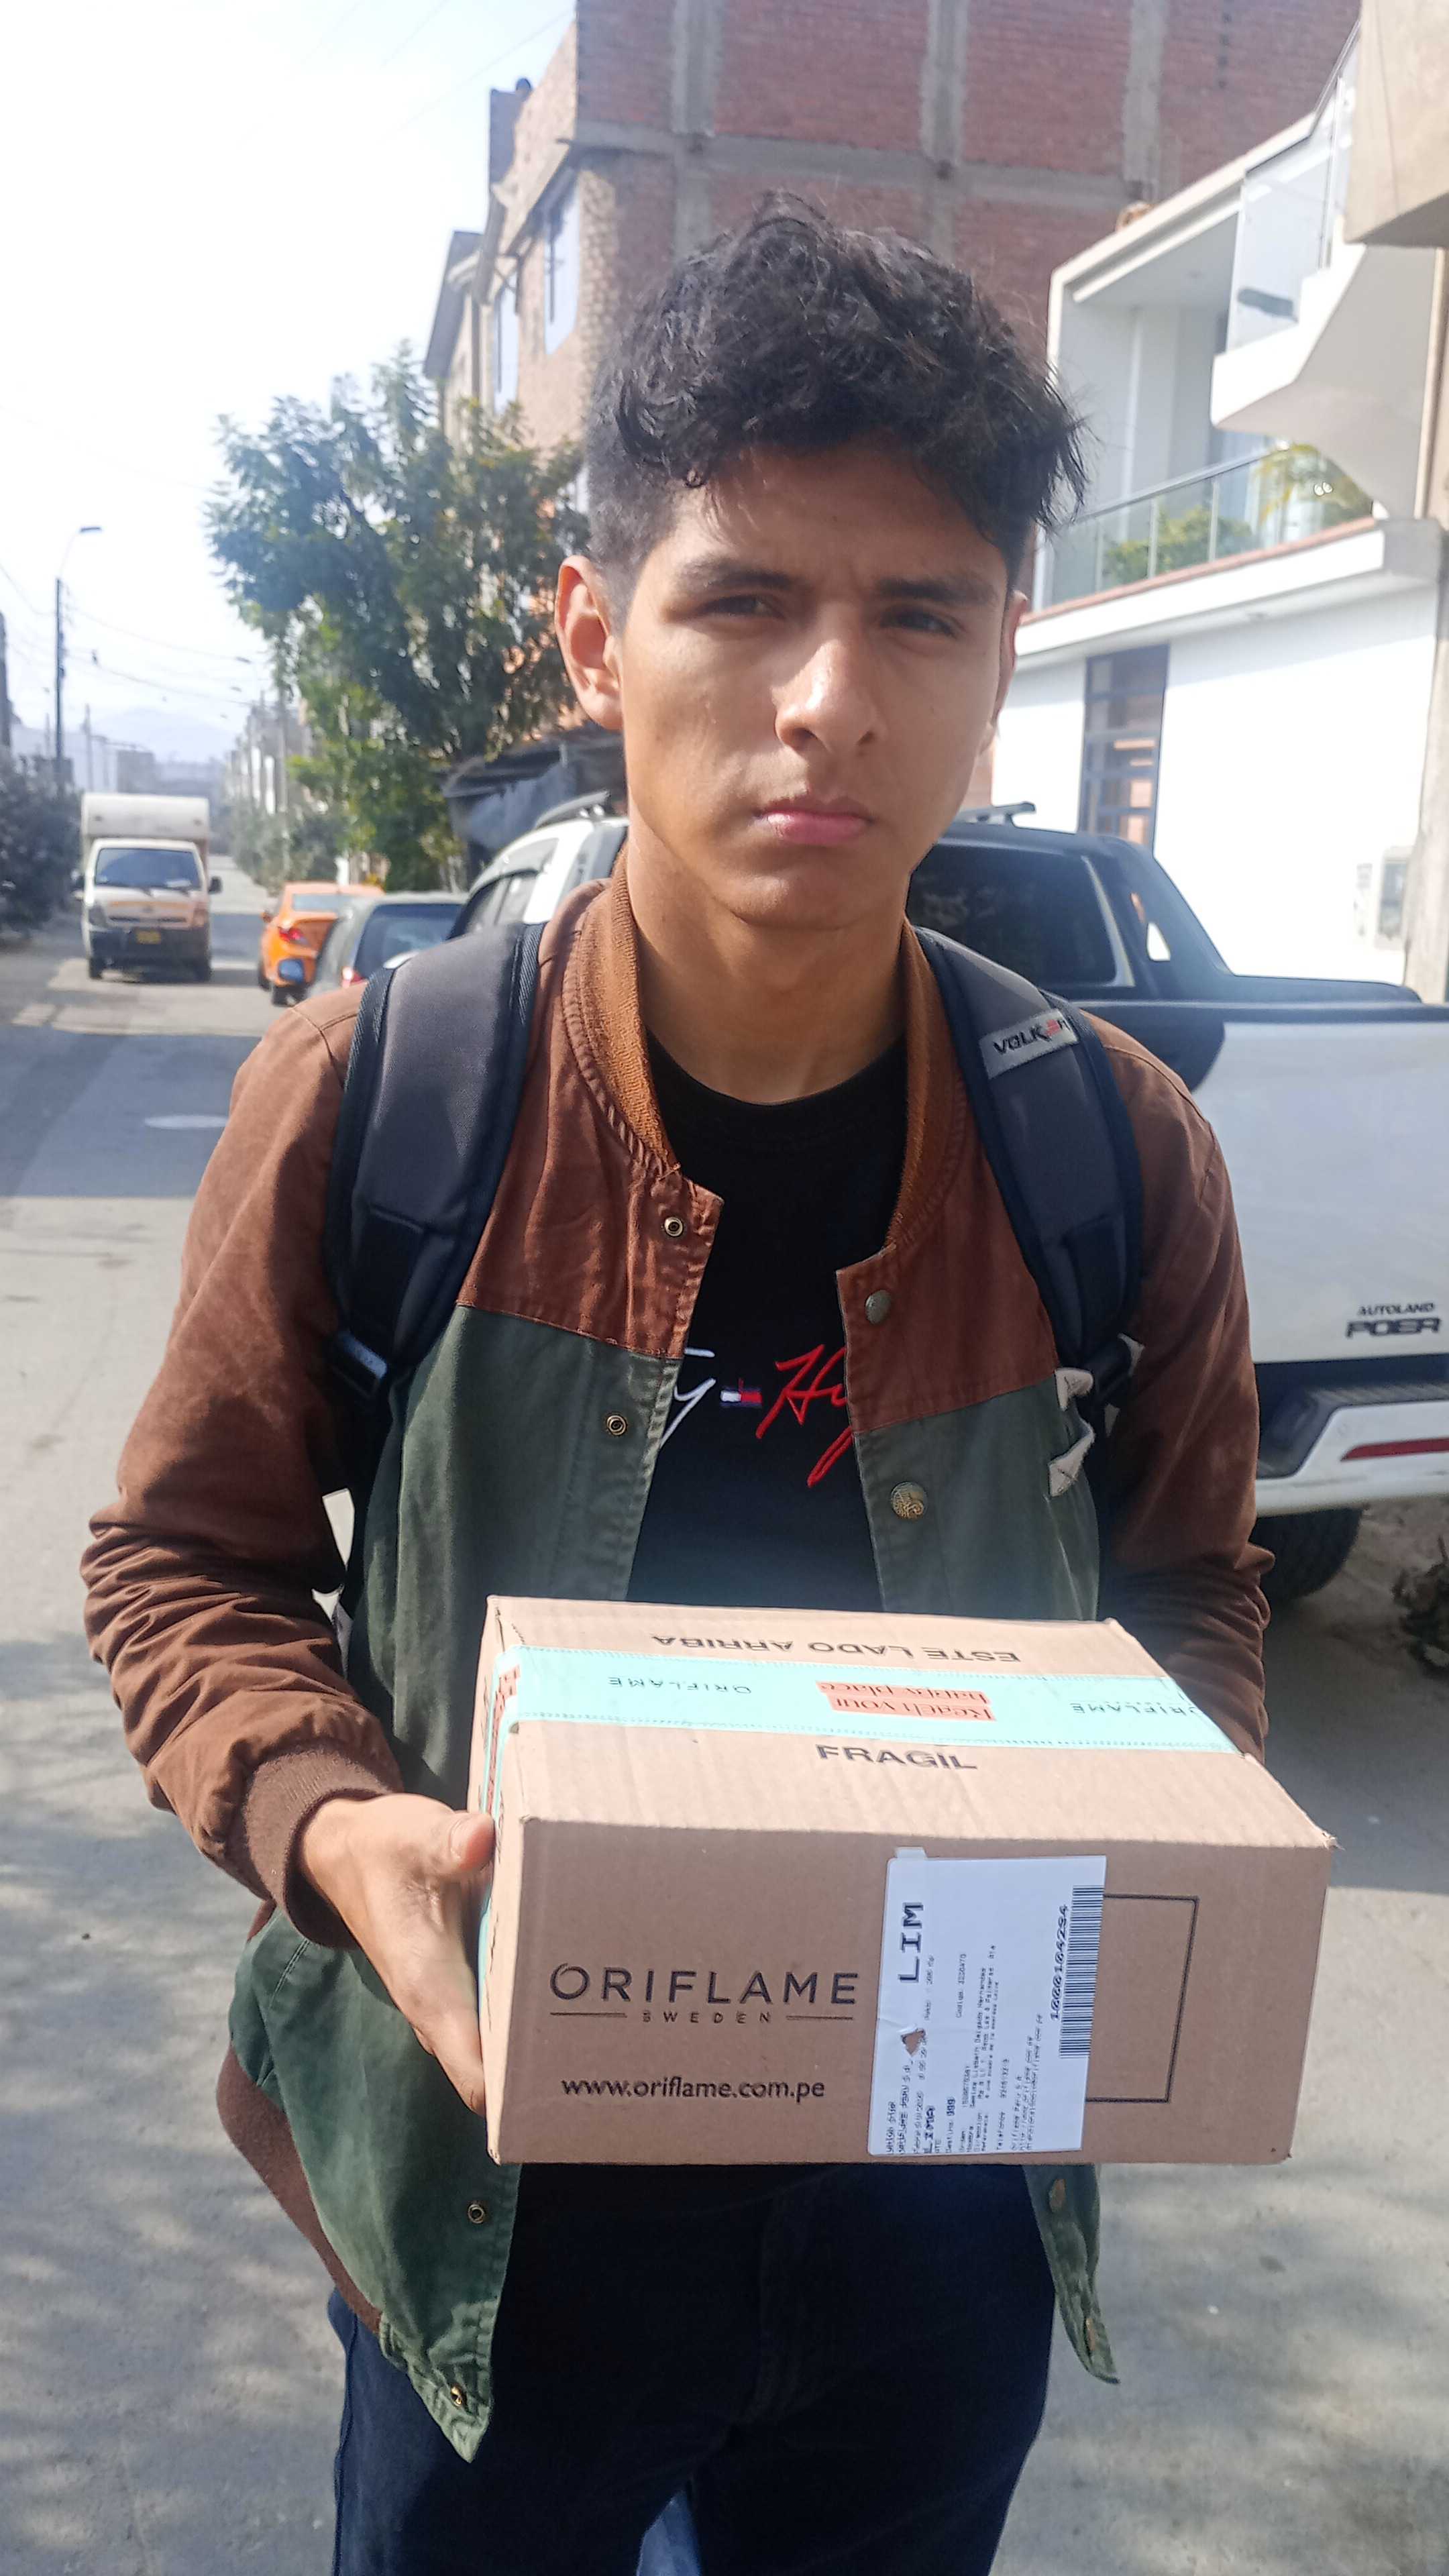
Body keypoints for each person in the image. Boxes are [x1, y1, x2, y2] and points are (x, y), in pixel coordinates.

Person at [83, 201, 1268, 2575]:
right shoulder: (389, 1102)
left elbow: (1194, 1599)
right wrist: (334, 1823)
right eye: (743, 601)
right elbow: (187, 1564)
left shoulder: (1113, 1152)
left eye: (920, 612)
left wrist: (1159, 1845)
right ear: (595, 632)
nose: (831, 699)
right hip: (490, 2214)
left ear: (1005, 649)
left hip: (936, 2214)